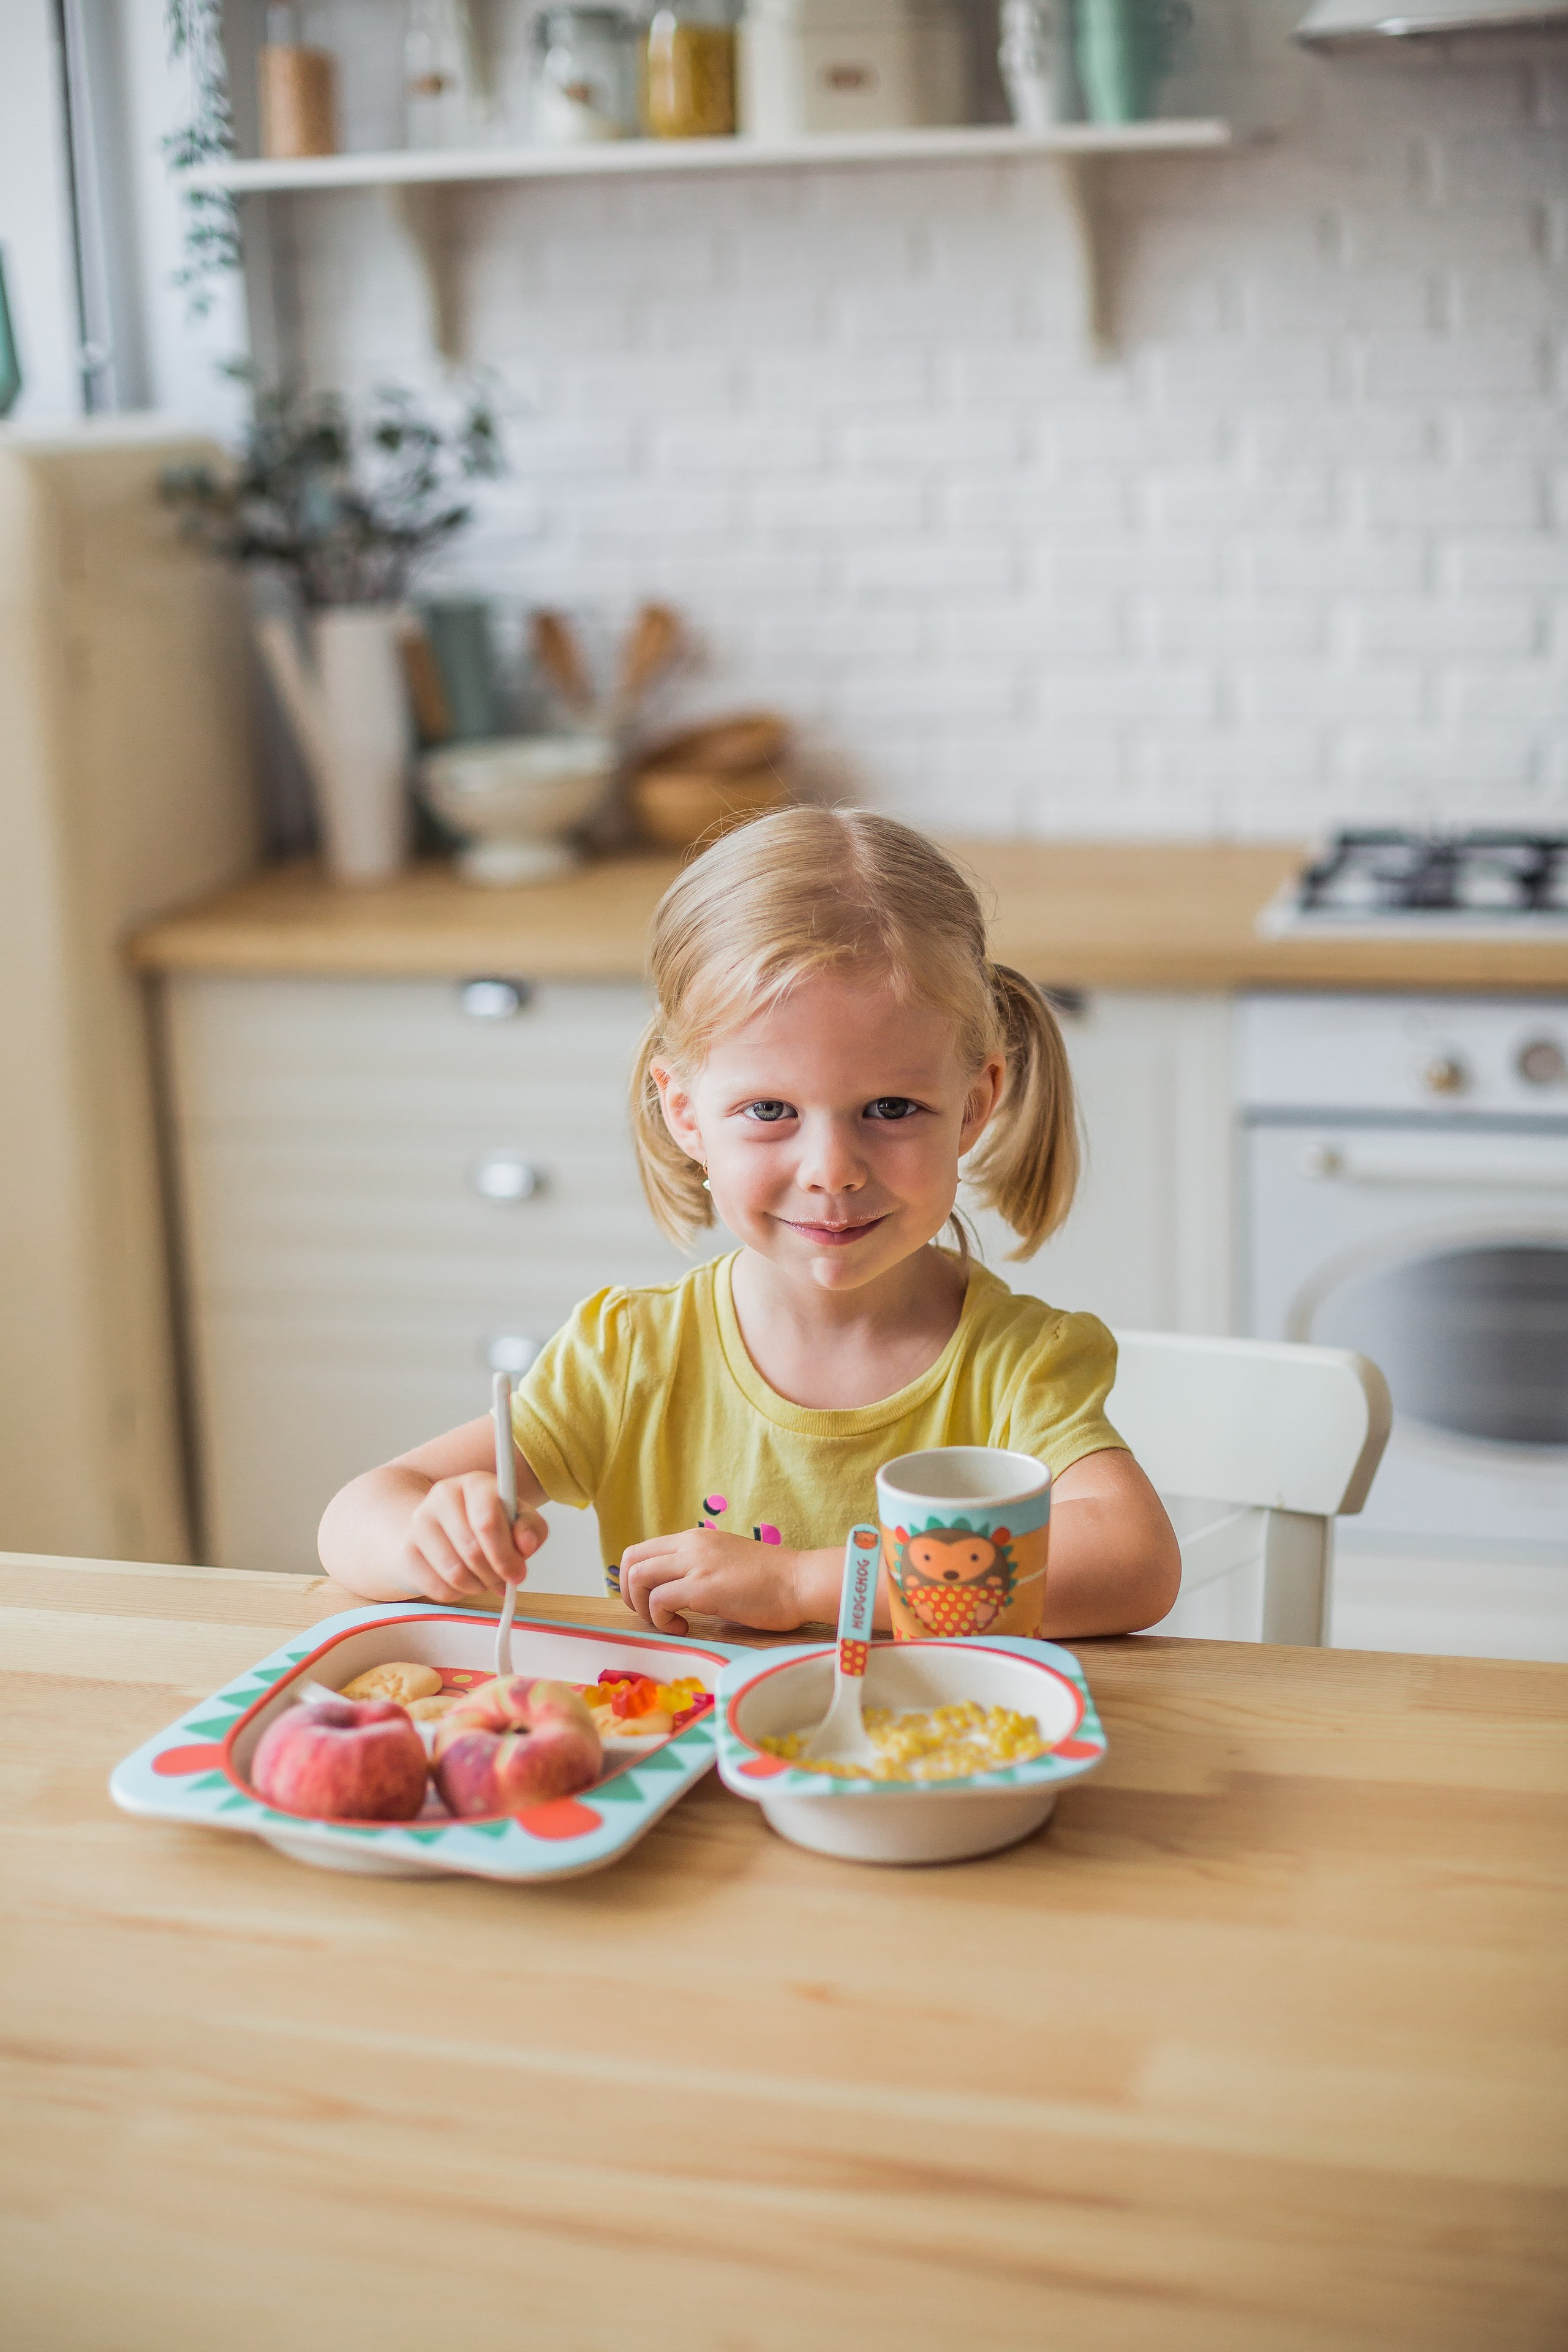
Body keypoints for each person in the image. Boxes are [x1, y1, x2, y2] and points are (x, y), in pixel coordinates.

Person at [318, 809, 1181, 1637]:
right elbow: (356, 1516)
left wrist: (804, 1583)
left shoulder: (1015, 1366)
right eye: (770, 1108)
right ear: (686, 1115)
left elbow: (1134, 1563)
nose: (832, 1168)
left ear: (973, 1108)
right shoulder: (630, 1360)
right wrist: (426, 1538)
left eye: (890, 1106)